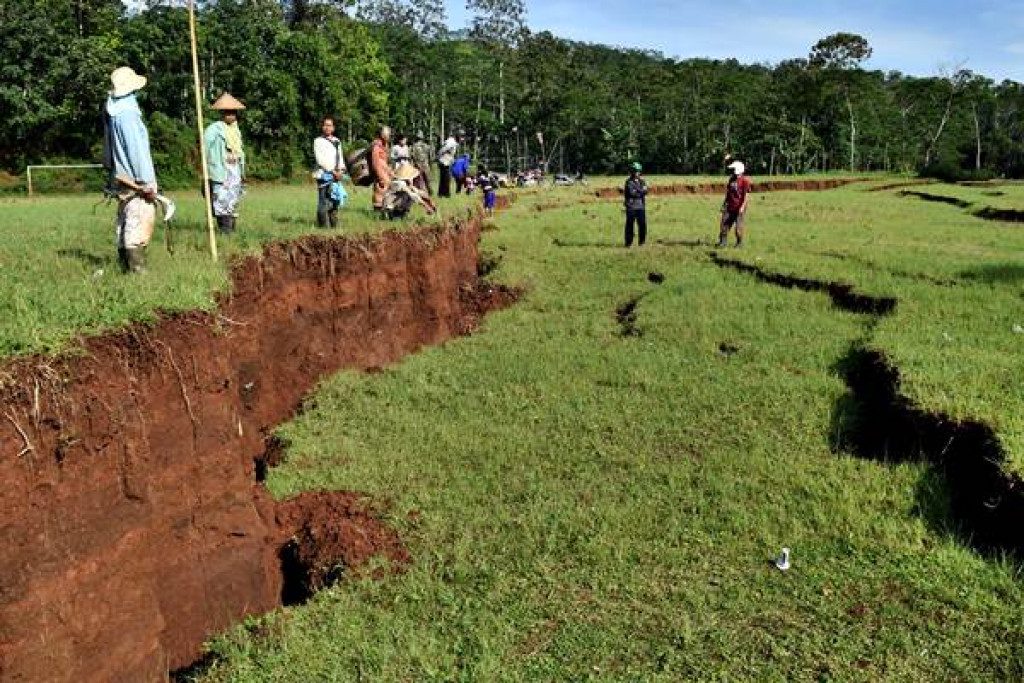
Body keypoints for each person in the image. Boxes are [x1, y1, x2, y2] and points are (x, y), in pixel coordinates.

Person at [103, 66, 159, 274]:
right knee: (137, 224)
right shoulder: (128, 114)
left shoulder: (114, 110)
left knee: (125, 221)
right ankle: (138, 274)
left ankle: (124, 270)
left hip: (121, 178)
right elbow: (136, 150)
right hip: (135, 180)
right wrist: (145, 182)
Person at [204, 93, 247, 235]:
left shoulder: (236, 130)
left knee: (233, 201)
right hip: (220, 170)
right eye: (227, 113)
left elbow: (240, 151)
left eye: (233, 113)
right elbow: (205, 148)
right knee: (221, 199)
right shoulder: (214, 129)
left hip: (234, 170)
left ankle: (231, 230)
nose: (231, 116)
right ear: (222, 114)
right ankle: (225, 231)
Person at [313, 116, 347, 229]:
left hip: (336, 175)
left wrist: (341, 171)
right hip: (324, 175)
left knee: (334, 201)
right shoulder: (318, 141)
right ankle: (323, 227)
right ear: (322, 127)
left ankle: (334, 225)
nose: (327, 127)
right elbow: (320, 159)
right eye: (325, 125)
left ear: (333, 128)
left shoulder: (337, 141)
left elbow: (340, 157)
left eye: (329, 125)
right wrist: (332, 171)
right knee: (323, 201)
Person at [718, 160, 752, 248]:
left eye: (733, 169)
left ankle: (739, 243)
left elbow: (746, 196)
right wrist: (724, 204)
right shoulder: (731, 179)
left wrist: (742, 207)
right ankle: (722, 242)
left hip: (739, 207)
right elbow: (728, 194)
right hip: (729, 206)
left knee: (738, 228)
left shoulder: (745, 181)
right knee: (724, 224)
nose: (732, 171)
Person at [369, 125, 394, 214]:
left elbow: (386, 160)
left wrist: (390, 172)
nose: (389, 135)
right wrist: (380, 177)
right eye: (388, 133)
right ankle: (377, 214)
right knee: (379, 193)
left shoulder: (385, 145)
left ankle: (384, 212)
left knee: (386, 193)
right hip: (380, 174)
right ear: (382, 134)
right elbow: (375, 163)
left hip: (385, 173)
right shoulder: (376, 146)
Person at [623, 162, 648, 248]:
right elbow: (631, 193)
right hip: (631, 207)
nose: (637, 173)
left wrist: (638, 191)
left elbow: (646, 191)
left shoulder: (642, 181)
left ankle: (642, 242)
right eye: (635, 171)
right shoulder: (628, 182)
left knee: (642, 225)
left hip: (641, 206)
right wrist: (641, 191)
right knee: (629, 225)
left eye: (638, 171)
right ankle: (628, 243)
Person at [437, 132, 459, 198]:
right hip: (445, 162)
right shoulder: (451, 142)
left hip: (444, 161)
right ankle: (446, 194)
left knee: (443, 178)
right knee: (446, 179)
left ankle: (441, 193)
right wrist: (439, 154)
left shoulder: (449, 141)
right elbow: (444, 149)